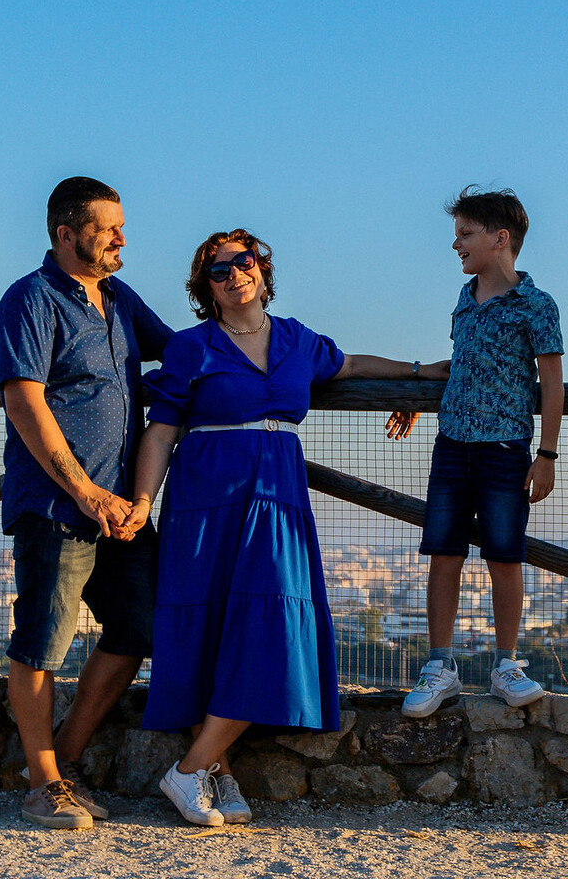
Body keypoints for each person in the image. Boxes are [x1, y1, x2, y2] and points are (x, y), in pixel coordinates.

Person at [130, 229, 443, 826]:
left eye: (242, 263)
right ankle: (216, 775)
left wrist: (415, 377)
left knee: (271, 627)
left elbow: (349, 364)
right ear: (207, 288)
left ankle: (190, 769)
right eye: (218, 271)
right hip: (206, 498)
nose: (233, 275)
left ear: (262, 270)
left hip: (277, 499)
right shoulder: (191, 347)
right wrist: (144, 501)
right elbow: (161, 430)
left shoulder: (299, 339)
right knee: (210, 630)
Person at [0, 176, 174, 830]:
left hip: (123, 514)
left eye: (122, 225)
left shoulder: (120, 301)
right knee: (41, 642)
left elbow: (185, 354)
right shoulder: (30, 300)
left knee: (140, 628)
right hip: (57, 508)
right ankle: (43, 786)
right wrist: (85, 491)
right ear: (66, 233)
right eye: (106, 227)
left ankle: (60, 766)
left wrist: (288, 357)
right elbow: (25, 402)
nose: (121, 237)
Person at [401, 188, 564, 719]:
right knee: (443, 554)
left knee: (504, 558)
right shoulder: (463, 300)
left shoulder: (537, 305)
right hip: (452, 446)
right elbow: (462, 364)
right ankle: (441, 665)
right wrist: (422, 399)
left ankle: (506, 664)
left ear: (501, 239)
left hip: (505, 448)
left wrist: (547, 454)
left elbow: (553, 383)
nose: (456, 245)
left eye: (465, 234)